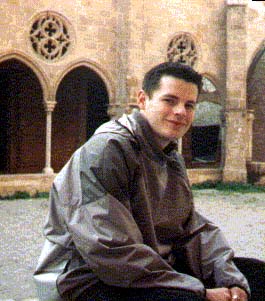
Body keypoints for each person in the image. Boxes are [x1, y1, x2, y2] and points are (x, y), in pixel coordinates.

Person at [34, 62, 261, 301]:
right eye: (169, 100)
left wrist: (230, 279)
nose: (180, 111)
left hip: (145, 271)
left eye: (189, 105)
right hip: (88, 278)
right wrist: (198, 291)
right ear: (143, 100)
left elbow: (192, 230)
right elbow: (109, 249)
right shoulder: (107, 151)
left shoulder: (170, 156)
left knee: (254, 276)